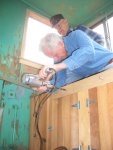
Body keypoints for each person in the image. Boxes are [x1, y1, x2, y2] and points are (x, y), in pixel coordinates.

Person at [36, 30, 113, 92]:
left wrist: (59, 66)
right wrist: (46, 86)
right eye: (52, 57)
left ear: (60, 44)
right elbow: (60, 80)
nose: (56, 59)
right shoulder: (58, 59)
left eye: (55, 54)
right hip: (95, 76)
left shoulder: (76, 35)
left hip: (109, 64)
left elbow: (88, 52)